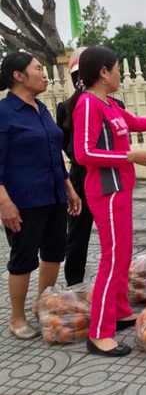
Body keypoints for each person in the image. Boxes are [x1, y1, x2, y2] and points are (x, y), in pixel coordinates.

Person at [70, 46, 146, 357]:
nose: (119, 73)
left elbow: (130, 122)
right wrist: (129, 155)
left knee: (122, 253)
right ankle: (99, 333)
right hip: (106, 190)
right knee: (112, 258)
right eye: (116, 68)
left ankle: (118, 310)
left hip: (120, 188)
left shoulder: (108, 104)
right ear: (104, 73)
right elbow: (83, 154)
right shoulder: (88, 105)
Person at [0, 51, 82, 340]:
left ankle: (40, 303)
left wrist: (68, 186)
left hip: (54, 193)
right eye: (38, 69)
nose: (45, 74)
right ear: (18, 76)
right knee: (23, 258)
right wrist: (4, 202)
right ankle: (16, 317)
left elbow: (54, 152)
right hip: (23, 200)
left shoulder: (41, 108)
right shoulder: (4, 112)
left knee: (53, 251)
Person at [57, 48, 126, 286]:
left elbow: (127, 129)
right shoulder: (71, 106)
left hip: (112, 176)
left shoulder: (114, 103)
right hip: (82, 175)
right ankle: (74, 284)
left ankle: (113, 287)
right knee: (77, 231)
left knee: (115, 240)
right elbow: (71, 146)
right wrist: (126, 156)